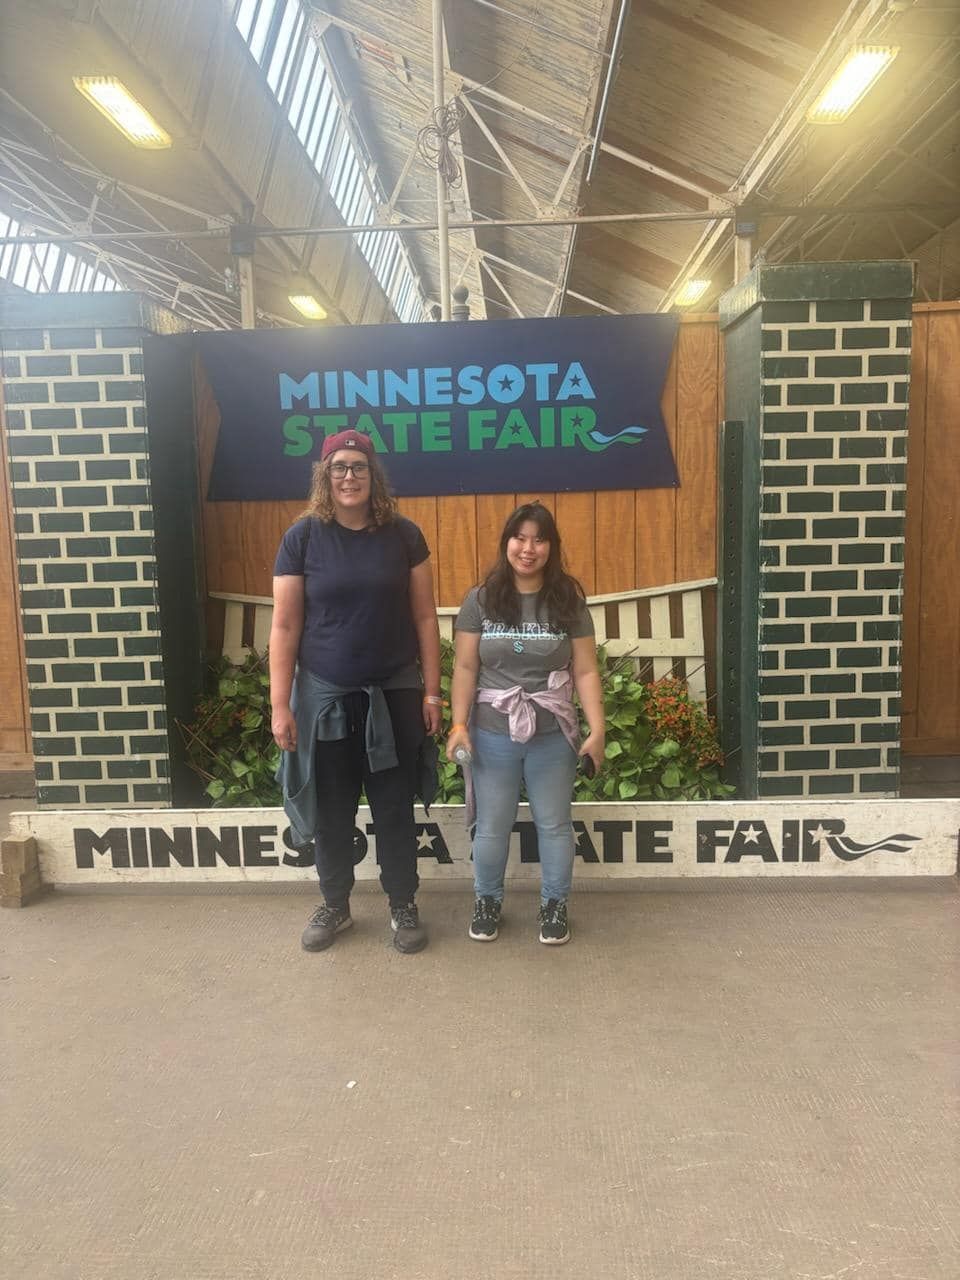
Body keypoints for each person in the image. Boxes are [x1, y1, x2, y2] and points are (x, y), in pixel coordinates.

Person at [269, 430, 442, 955]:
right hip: (325, 699)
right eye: (339, 467)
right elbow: (284, 626)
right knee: (333, 809)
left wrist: (431, 693)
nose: (349, 476)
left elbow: (425, 617)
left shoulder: (404, 535)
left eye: (359, 467)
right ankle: (335, 905)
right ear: (325, 475)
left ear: (374, 475)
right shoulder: (301, 539)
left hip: (393, 694)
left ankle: (402, 903)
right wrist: (280, 705)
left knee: (393, 806)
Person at [446, 502, 604, 945]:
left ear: (551, 547)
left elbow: (586, 670)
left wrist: (597, 731)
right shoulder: (480, 600)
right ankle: (487, 900)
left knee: (553, 824)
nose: (528, 548)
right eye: (520, 537)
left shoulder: (567, 601)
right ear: (506, 543)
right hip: (492, 734)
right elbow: (464, 668)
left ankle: (554, 905)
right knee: (492, 825)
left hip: (551, 736)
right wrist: (459, 725)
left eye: (539, 539)